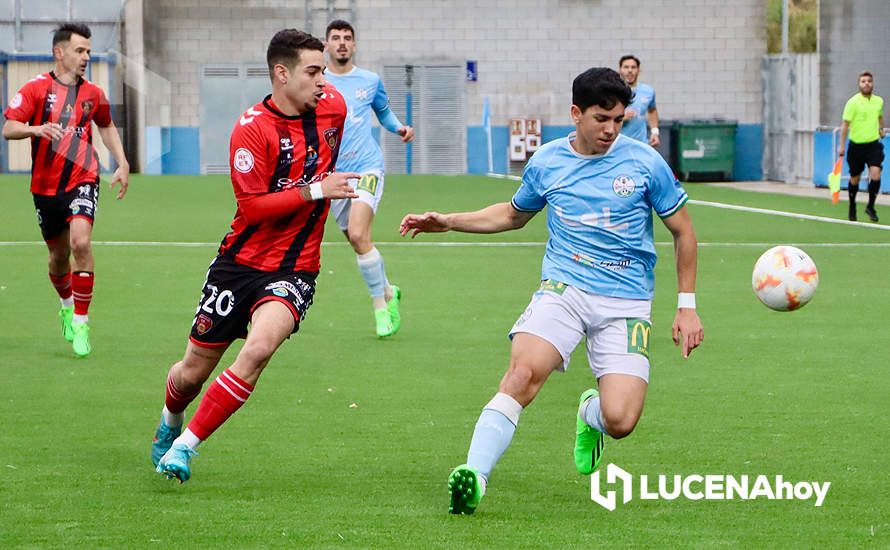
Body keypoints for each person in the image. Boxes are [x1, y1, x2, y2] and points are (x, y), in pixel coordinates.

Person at [400, 67, 704, 515]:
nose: (611, 129)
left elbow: (684, 232)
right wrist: (448, 220)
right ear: (575, 114)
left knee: (621, 421)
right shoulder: (546, 162)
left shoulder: (645, 163)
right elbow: (511, 214)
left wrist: (687, 306)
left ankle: (589, 414)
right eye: (602, 118)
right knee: (522, 375)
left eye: (619, 120)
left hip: (627, 302)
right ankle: (474, 476)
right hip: (564, 289)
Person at [151, 28, 358, 483]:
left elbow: (335, 154)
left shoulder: (335, 110)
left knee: (259, 348)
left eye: (324, 69)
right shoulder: (251, 130)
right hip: (239, 265)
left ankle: (186, 448)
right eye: (313, 71)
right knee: (190, 373)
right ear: (281, 74)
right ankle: (170, 421)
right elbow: (253, 208)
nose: (324, 80)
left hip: (295, 267)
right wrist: (317, 189)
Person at [2, 22, 129, 358]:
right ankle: (66, 306)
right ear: (59, 52)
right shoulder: (34, 89)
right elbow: (9, 128)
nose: (86, 56)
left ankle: (82, 321)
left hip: (84, 177)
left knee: (81, 242)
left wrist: (122, 162)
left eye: (88, 51)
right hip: (45, 187)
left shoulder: (93, 94)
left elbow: (106, 125)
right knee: (59, 257)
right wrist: (36, 129)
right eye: (79, 50)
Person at [323, 19, 414, 337]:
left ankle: (381, 309)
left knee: (360, 233)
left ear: (355, 44)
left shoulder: (370, 81)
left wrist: (400, 127)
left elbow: (384, 113)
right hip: (335, 176)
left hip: (367, 167)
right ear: (326, 45)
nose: (342, 43)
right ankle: (389, 289)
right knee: (356, 241)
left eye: (347, 38)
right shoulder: (317, 83)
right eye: (336, 38)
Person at [838, 71, 885, 222]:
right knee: (855, 178)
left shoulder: (878, 101)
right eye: (863, 81)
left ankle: (870, 206)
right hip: (856, 146)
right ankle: (852, 205)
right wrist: (841, 146)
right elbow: (845, 125)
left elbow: (879, 116)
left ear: (872, 83)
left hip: (873, 145)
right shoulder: (852, 102)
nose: (866, 84)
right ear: (859, 84)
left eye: (869, 81)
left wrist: (881, 129)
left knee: (876, 173)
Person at [617, 54, 660, 148]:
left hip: (641, 144)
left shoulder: (648, 91)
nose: (630, 70)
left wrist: (655, 132)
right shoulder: (613, 92)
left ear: (639, 70)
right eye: (626, 67)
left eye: (633, 67)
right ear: (620, 70)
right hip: (618, 145)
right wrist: (621, 117)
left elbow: (652, 110)